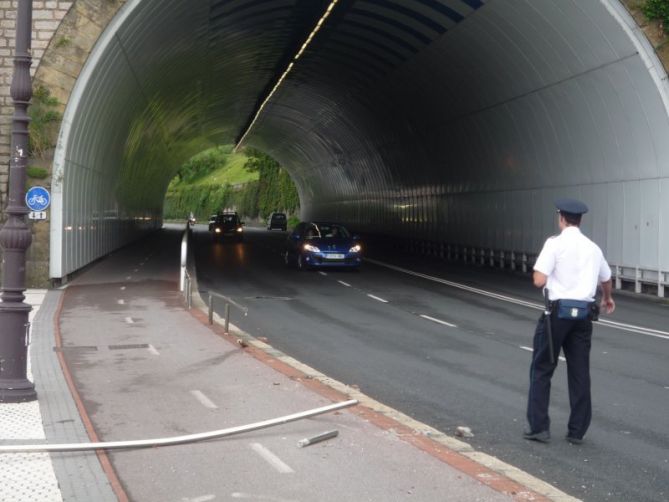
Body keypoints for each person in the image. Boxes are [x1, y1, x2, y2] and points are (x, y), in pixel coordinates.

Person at [524, 198, 615, 445]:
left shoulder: (554, 244)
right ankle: (577, 431)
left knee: (542, 368)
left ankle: (539, 427)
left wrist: (546, 272)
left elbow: (539, 280)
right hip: (584, 316)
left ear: (561, 218)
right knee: (579, 372)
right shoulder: (593, 248)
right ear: (580, 220)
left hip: (557, 315)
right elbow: (606, 278)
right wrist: (607, 298)